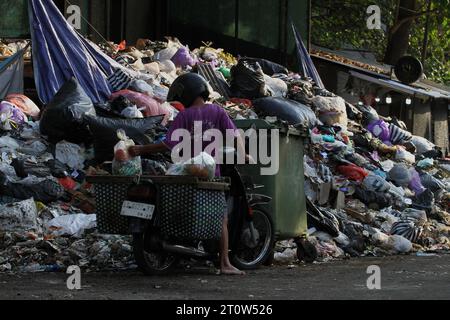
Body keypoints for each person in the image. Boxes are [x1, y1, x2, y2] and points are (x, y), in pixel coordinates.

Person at [129, 73, 246, 275]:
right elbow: (234, 135)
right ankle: (225, 263)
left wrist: (141, 149)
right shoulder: (217, 112)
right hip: (210, 174)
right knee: (221, 218)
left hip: (184, 173)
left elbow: (167, 144)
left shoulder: (184, 116)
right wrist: (245, 154)